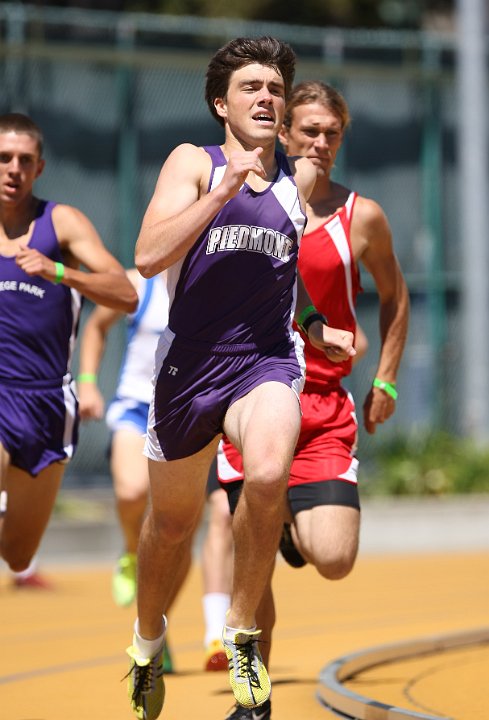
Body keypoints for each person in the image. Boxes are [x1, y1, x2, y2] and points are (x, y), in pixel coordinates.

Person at [123, 36, 355, 720]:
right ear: (221, 104)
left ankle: (244, 631)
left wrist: (313, 326)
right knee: (170, 527)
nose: (266, 96)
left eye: (276, 88)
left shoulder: (298, 180)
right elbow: (145, 255)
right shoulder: (193, 163)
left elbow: (286, 273)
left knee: (263, 475)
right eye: (252, 87)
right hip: (190, 366)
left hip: (265, 361)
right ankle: (145, 641)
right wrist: (221, 191)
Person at [217, 80, 410, 719]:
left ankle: (290, 531)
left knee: (333, 558)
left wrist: (383, 378)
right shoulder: (245, 202)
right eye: (309, 131)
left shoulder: (364, 217)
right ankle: (255, 699)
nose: (320, 143)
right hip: (250, 398)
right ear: (284, 132)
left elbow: (395, 296)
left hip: (324, 409)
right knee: (256, 566)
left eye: (332, 133)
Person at [0, 113, 138, 587]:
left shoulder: (60, 223)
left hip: (45, 405)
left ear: (39, 168)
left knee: (19, 555)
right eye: (3, 159)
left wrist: (58, 272)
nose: (12, 168)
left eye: (23, 160)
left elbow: (125, 293)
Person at [78, 269, 232, 672]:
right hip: (136, 406)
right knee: (131, 493)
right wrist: (89, 382)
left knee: (178, 530)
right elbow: (96, 325)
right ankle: (132, 551)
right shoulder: (137, 282)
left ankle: (154, 626)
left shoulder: (217, 278)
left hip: (190, 416)